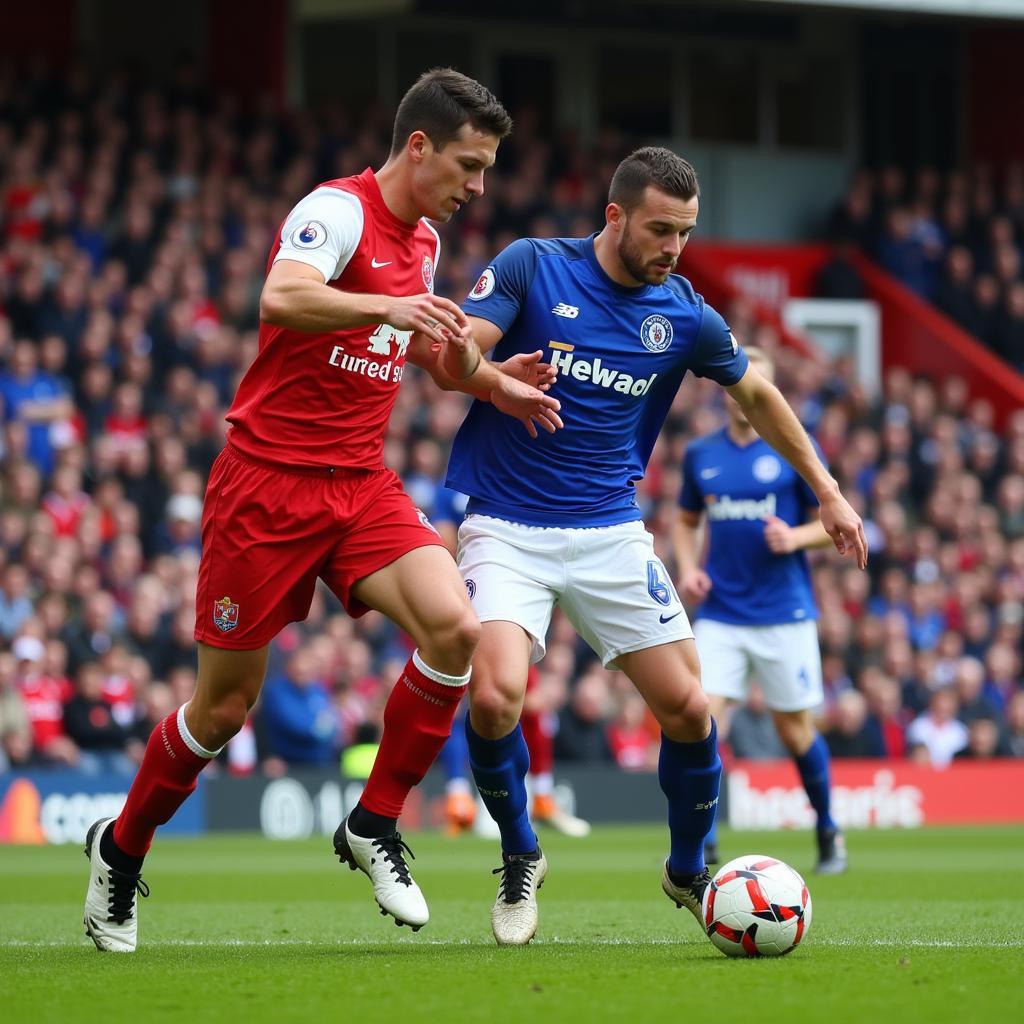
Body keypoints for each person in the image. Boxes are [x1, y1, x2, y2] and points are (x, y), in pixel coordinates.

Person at [82, 68, 563, 953]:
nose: (478, 186)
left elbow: (423, 349)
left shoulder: (422, 241)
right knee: (223, 710)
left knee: (455, 630)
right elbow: (282, 297)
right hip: (265, 487)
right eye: (468, 164)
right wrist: (387, 301)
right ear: (418, 146)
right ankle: (119, 851)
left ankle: (375, 822)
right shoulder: (336, 211)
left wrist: (495, 382)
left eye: (487, 169)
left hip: (358, 483)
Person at [430, 147, 866, 946]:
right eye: (660, 229)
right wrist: (492, 374)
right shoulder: (533, 265)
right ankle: (522, 853)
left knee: (691, 710)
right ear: (615, 216)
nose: (673, 247)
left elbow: (759, 395)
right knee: (494, 699)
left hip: (608, 531)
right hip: (506, 524)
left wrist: (829, 490)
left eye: (686, 233)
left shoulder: (686, 314)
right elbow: (450, 357)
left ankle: (686, 865)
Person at [673, 345, 849, 875]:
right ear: (728, 389)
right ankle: (702, 842)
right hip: (723, 613)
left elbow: (834, 523)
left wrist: (795, 537)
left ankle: (827, 828)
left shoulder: (795, 449)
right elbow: (684, 521)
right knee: (703, 723)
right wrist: (687, 567)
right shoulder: (701, 453)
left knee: (795, 730)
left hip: (783, 612)